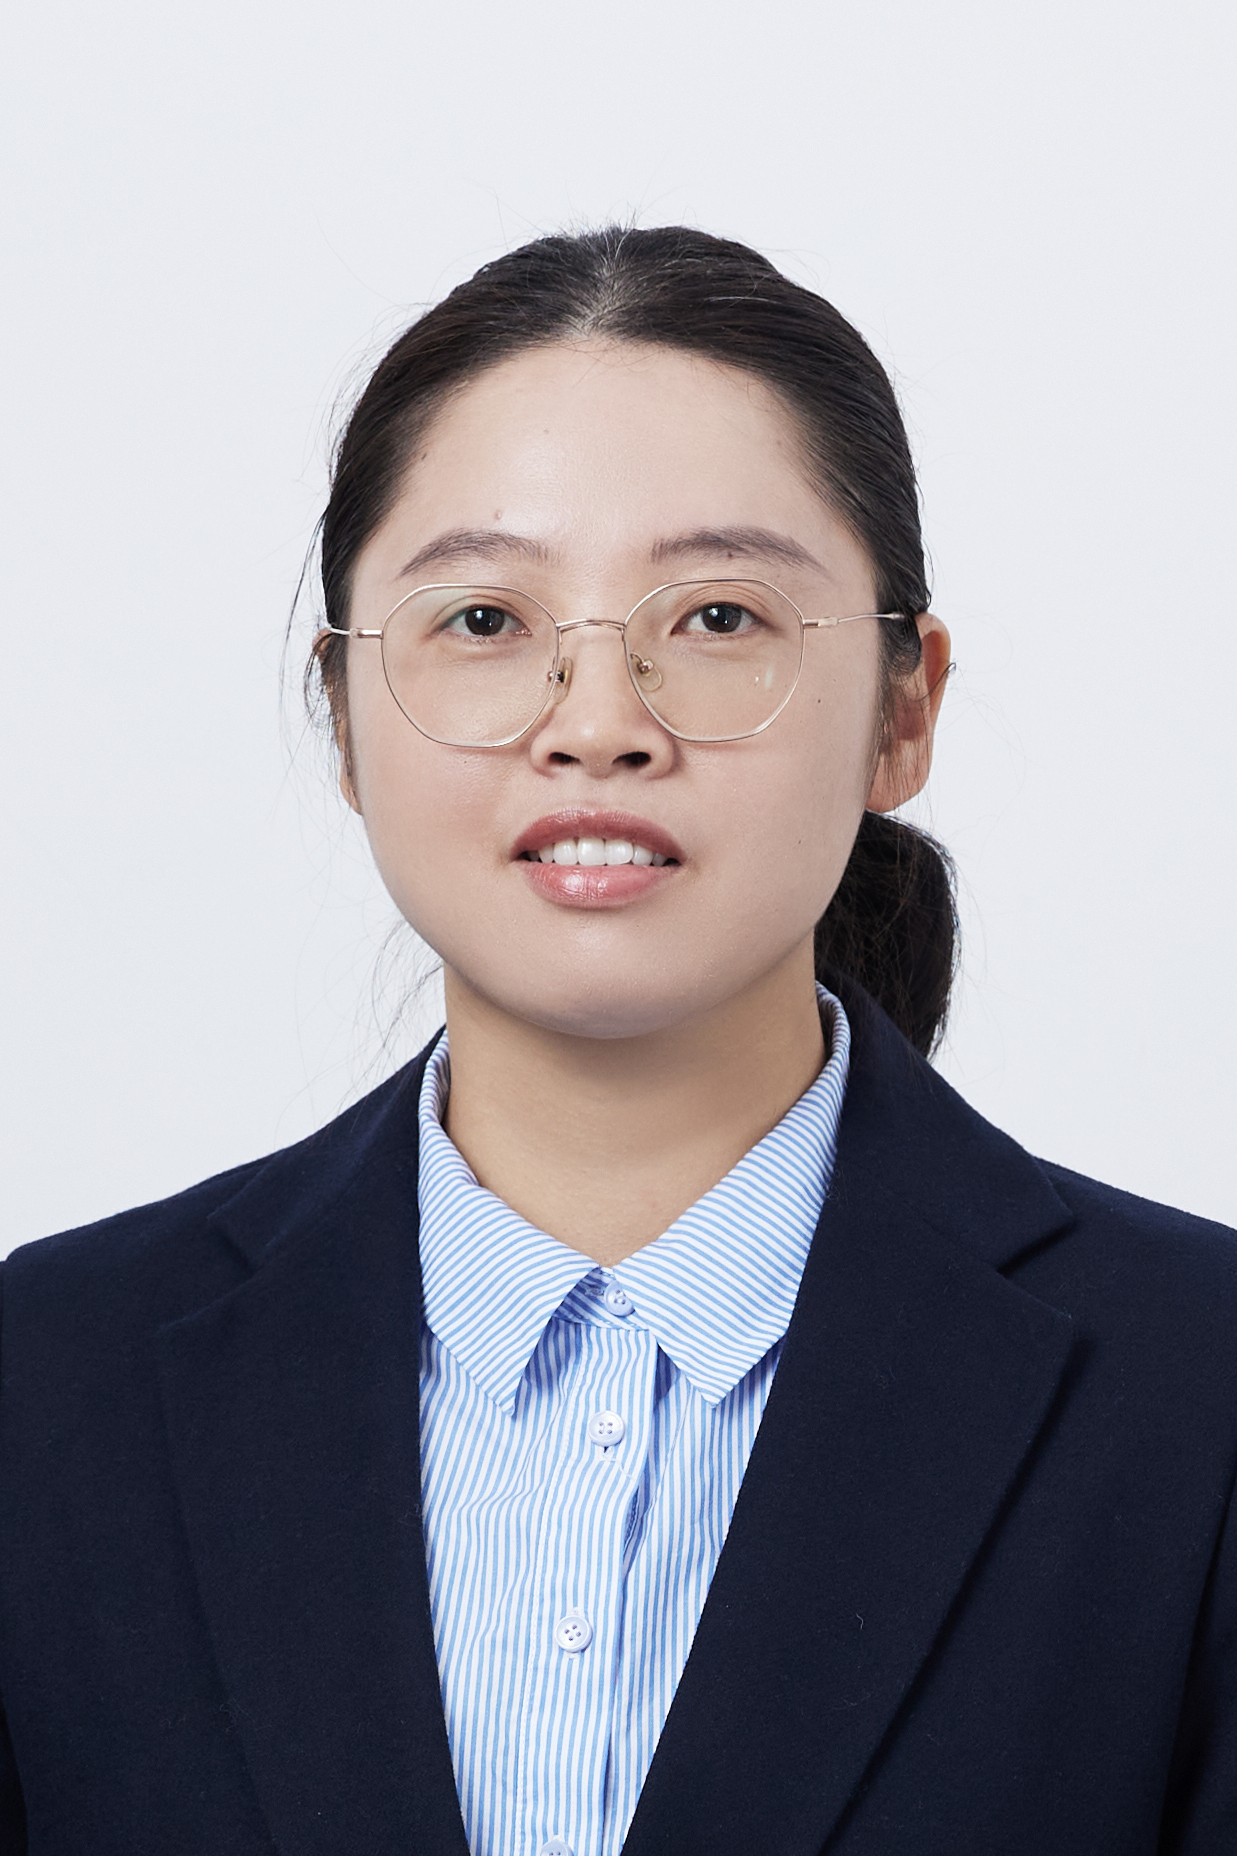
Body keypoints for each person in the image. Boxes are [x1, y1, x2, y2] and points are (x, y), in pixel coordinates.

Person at [0, 225, 1234, 1856]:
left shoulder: (1200, 1392)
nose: (596, 723)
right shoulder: (46, 1388)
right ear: (341, 717)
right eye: (482, 619)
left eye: (717, 615)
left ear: (902, 709)